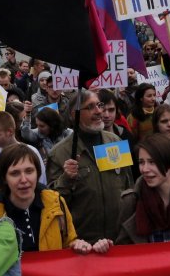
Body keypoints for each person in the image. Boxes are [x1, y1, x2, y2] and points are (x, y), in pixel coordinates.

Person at [46, 90, 134, 243]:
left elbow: (128, 185)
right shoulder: (59, 153)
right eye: (91, 107)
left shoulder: (115, 141)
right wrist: (66, 179)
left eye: (99, 105)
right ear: (75, 114)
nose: (99, 111)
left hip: (120, 239)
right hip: (83, 244)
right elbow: (54, 204)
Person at [0, 143, 100, 254]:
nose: (24, 179)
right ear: (4, 178)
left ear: (38, 173)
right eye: (15, 173)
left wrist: (77, 245)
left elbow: (69, 242)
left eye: (29, 171)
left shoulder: (57, 203)